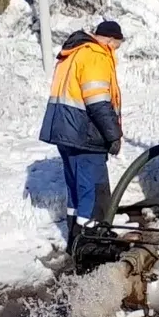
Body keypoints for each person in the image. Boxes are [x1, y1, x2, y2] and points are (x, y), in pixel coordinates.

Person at [38, 19, 125, 252]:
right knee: (92, 191)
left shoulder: (72, 53)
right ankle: (90, 246)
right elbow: (97, 101)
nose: (115, 50)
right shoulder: (95, 55)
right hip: (85, 135)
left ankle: (75, 242)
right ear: (108, 39)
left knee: (76, 190)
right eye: (116, 45)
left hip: (65, 132)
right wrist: (113, 135)